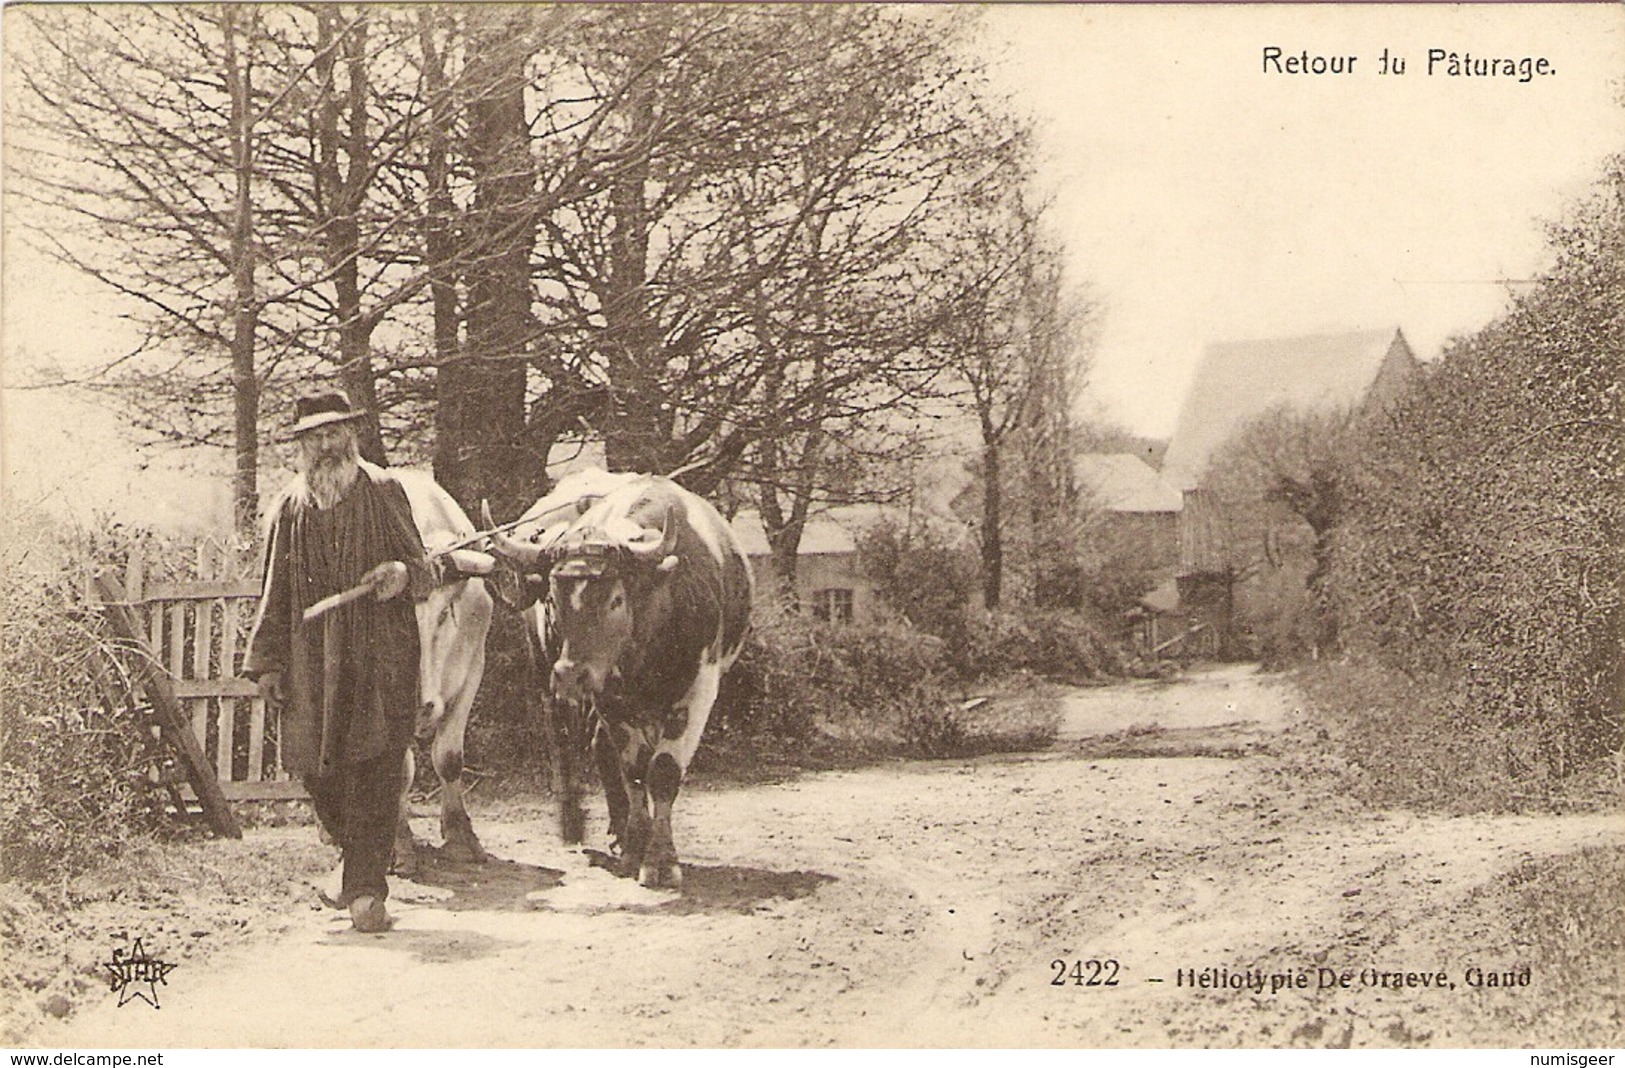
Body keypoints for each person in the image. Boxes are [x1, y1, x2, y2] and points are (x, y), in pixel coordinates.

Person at [244, 388, 436, 933]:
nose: (326, 446)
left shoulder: (383, 491)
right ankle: (354, 865)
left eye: (334, 433)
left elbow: (424, 570)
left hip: (380, 658)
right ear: (301, 446)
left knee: (377, 770)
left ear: (351, 436)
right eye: (314, 437)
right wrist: (269, 665)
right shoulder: (290, 507)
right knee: (317, 772)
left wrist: (400, 574)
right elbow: (275, 591)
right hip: (311, 663)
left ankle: (366, 894)